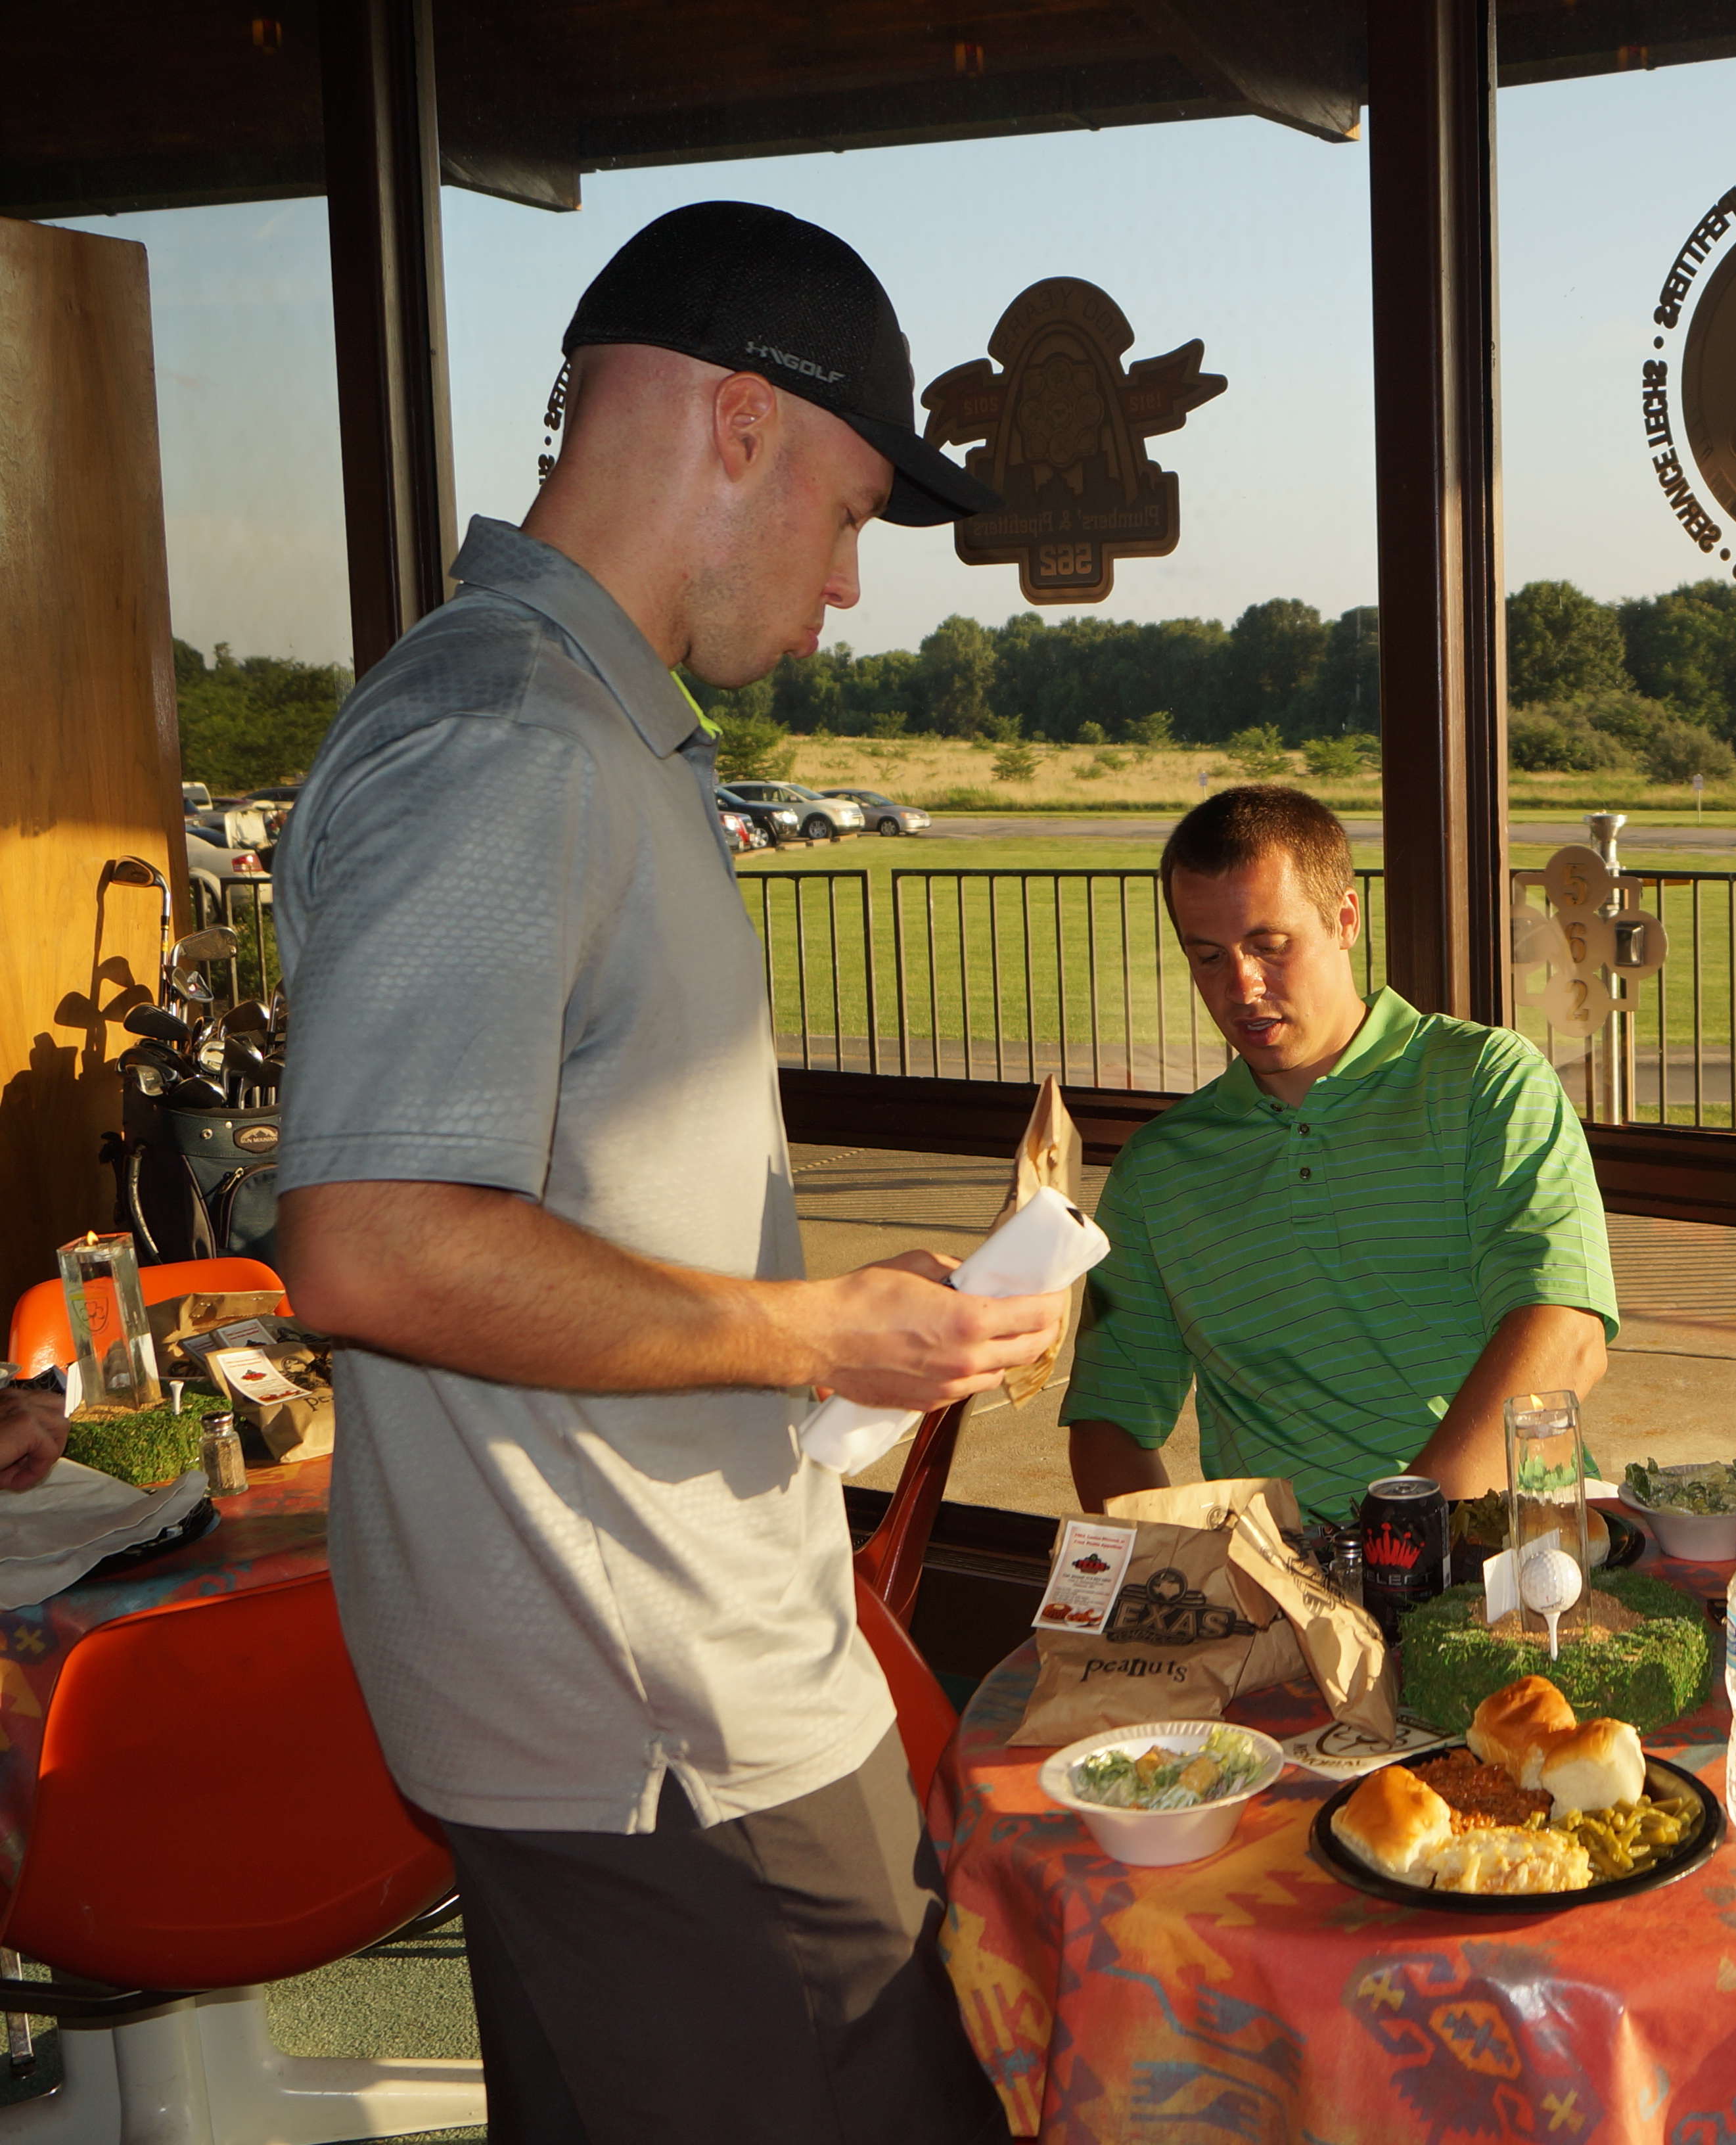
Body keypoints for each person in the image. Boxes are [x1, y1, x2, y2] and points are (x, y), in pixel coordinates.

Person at [275, 203, 1056, 2144]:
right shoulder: (509, 742)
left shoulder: (579, 730)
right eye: (849, 512)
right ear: (738, 422)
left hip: (633, 1703)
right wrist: (807, 1333)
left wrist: (824, 1317)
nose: (846, 585)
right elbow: (372, 1243)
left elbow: (560, 1215)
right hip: (667, 1726)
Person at [1062, 786, 1618, 1521]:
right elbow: (1109, 1414)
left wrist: (1401, 1537)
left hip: (1507, 1548)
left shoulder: (1485, 1080)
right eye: (1208, 956)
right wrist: (1178, 1562)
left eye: (1269, 945)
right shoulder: (1158, 1170)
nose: (1241, 987)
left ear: (1345, 919)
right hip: (1286, 1575)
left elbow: (1566, 1335)